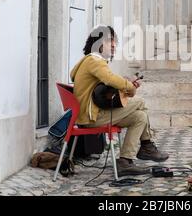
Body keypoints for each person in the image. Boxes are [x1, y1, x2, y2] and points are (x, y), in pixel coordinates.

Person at [70, 25, 169, 177]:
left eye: (114, 41)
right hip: (92, 117)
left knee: (140, 117)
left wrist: (125, 85)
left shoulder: (88, 61)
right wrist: (130, 87)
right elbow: (110, 79)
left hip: (91, 114)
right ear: (99, 43)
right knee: (140, 102)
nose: (114, 45)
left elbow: (107, 87)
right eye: (110, 41)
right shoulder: (95, 61)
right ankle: (147, 146)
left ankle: (125, 161)